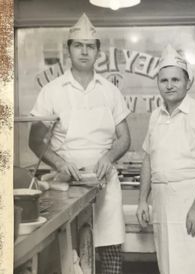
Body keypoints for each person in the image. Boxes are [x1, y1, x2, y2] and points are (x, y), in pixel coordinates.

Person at [29, 13, 131, 274]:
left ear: (98, 51)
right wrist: (61, 163)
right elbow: (35, 141)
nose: (84, 51)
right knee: (68, 256)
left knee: (108, 255)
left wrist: (108, 158)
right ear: (68, 49)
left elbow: (125, 138)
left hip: (105, 185)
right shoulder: (51, 91)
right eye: (78, 45)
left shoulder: (110, 91)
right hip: (65, 188)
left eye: (90, 46)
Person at [136, 45, 195, 274]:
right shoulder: (155, 116)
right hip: (163, 206)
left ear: (188, 82)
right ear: (158, 83)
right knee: (169, 266)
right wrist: (143, 199)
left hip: (191, 204)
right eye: (164, 80)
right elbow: (148, 159)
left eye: (176, 79)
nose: (170, 85)